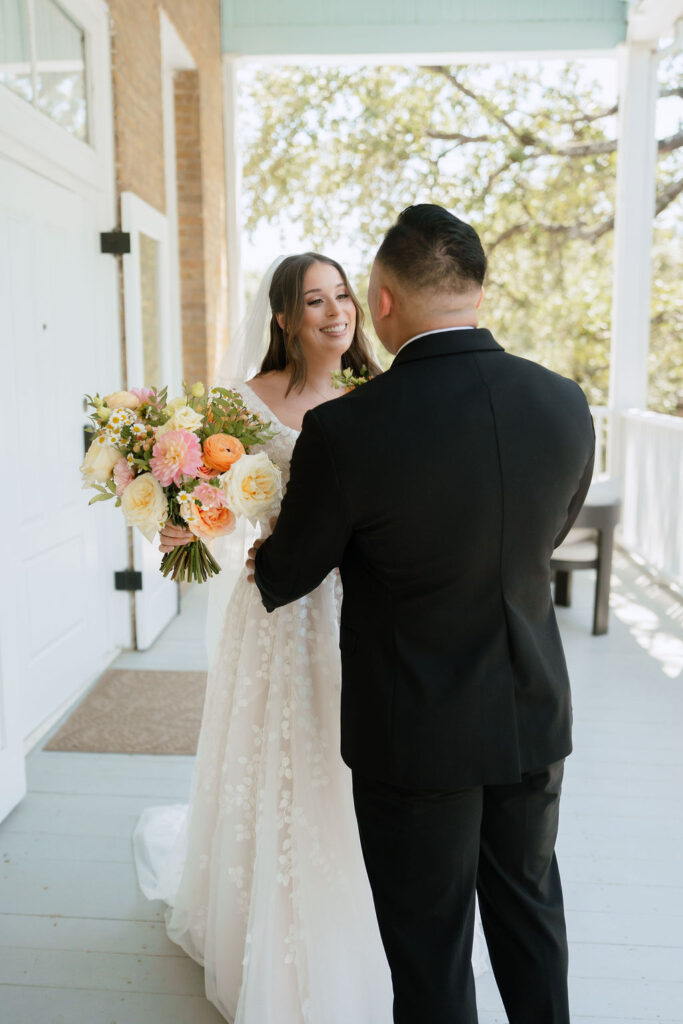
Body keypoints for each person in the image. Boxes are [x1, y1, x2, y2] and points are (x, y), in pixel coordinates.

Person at [251, 206, 596, 1024]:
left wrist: (239, 529)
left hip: (414, 732)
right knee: (531, 919)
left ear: (381, 301)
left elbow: (288, 574)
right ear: (477, 288)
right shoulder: (563, 402)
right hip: (528, 713)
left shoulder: (345, 428)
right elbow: (547, 535)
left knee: (430, 950)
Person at [133, 252, 489, 1023]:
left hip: (357, 611)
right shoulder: (238, 407)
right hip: (272, 612)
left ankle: (353, 922)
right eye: (314, 302)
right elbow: (212, 503)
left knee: (344, 760)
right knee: (277, 760)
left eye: (343, 297)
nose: (335, 313)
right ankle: (270, 929)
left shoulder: (378, 396)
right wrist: (187, 521)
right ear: (284, 319)